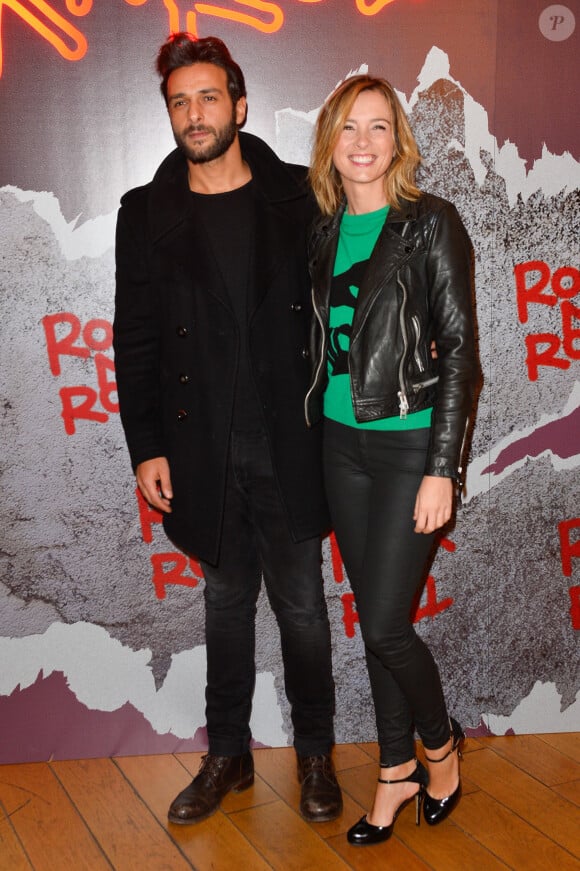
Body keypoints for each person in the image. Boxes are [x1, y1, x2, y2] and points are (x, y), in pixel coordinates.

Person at [113, 33, 342, 825]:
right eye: (180, 101)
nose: (194, 113)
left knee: (305, 609)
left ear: (239, 106)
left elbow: (338, 320)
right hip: (201, 447)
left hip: (291, 443)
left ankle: (316, 755)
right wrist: (145, 445)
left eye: (209, 97)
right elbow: (134, 337)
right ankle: (228, 754)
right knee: (223, 605)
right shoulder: (145, 214)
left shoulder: (301, 197)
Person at [305, 75, 478, 846]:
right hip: (340, 446)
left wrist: (443, 465)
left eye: (379, 127)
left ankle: (438, 751)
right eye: (349, 128)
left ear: (399, 141)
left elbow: (462, 354)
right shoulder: (320, 230)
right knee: (381, 625)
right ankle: (393, 772)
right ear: (330, 144)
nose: (364, 143)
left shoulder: (431, 224)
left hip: (411, 446)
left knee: (382, 625)